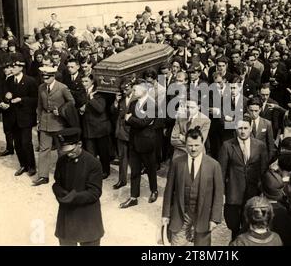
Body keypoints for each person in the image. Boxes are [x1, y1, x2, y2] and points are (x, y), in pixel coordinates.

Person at [162, 127, 223, 246]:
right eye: (190, 145)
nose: (193, 148)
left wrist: (215, 218)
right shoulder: (177, 163)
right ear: (185, 145)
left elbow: (218, 194)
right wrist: (165, 214)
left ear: (202, 143)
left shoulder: (214, 165)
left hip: (203, 215)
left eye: (196, 145)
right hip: (181, 214)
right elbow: (169, 191)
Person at [219, 115, 269, 240]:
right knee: (234, 226)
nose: (243, 131)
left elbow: (264, 170)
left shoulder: (260, 146)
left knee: (250, 225)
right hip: (234, 193)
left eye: (245, 128)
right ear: (235, 128)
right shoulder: (227, 145)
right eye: (240, 128)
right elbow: (221, 171)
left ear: (251, 128)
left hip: (253, 193)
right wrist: (222, 193)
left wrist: (262, 191)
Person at [52, 127, 104, 246]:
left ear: (79, 144)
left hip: (87, 216)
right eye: (65, 150)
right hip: (67, 215)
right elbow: (57, 183)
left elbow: (94, 192)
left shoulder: (93, 163)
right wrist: (59, 192)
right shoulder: (62, 161)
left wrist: (74, 197)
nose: (68, 153)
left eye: (71, 149)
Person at [120, 80, 159, 208]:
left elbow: (144, 122)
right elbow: (126, 121)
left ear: (144, 90)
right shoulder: (133, 103)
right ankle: (133, 197)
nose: (133, 91)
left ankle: (154, 190)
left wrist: (130, 119)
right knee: (135, 170)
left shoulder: (152, 105)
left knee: (150, 169)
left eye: (136, 89)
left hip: (147, 142)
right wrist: (132, 120)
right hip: (134, 141)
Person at [35, 66, 75, 186]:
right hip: (45, 122)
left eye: (47, 78)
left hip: (58, 123)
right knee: (44, 149)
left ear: (53, 77)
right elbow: (39, 105)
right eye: (43, 77)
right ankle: (43, 176)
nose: (45, 80)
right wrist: (39, 121)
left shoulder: (62, 88)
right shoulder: (41, 87)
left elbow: (71, 102)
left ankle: (64, 176)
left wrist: (61, 110)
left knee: (61, 151)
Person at [2, 59, 38, 177]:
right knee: (17, 143)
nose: (12, 68)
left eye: (15, 66)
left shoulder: (30, 81)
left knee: (26, 142)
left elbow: (35, 99)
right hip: (12, 117)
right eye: (11, 66)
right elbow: (5, 94)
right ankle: (23, 164)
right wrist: (6, 99)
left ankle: (31, 166)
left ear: (21, 68)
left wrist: (22, 100)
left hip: (25, 117)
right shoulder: (9, 80)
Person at [79, 74, 112, 179]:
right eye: (83, 81)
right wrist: (81, 110)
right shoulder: (82, 92)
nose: (84, 84)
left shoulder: (99, 93)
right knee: (90, 152)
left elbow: (100, 109)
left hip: (100, 127)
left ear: (92, 81)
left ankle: (105, 170)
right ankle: (93, 171)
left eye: (86, 82)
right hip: (88, 127)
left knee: (103, 152)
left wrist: (92, 98)